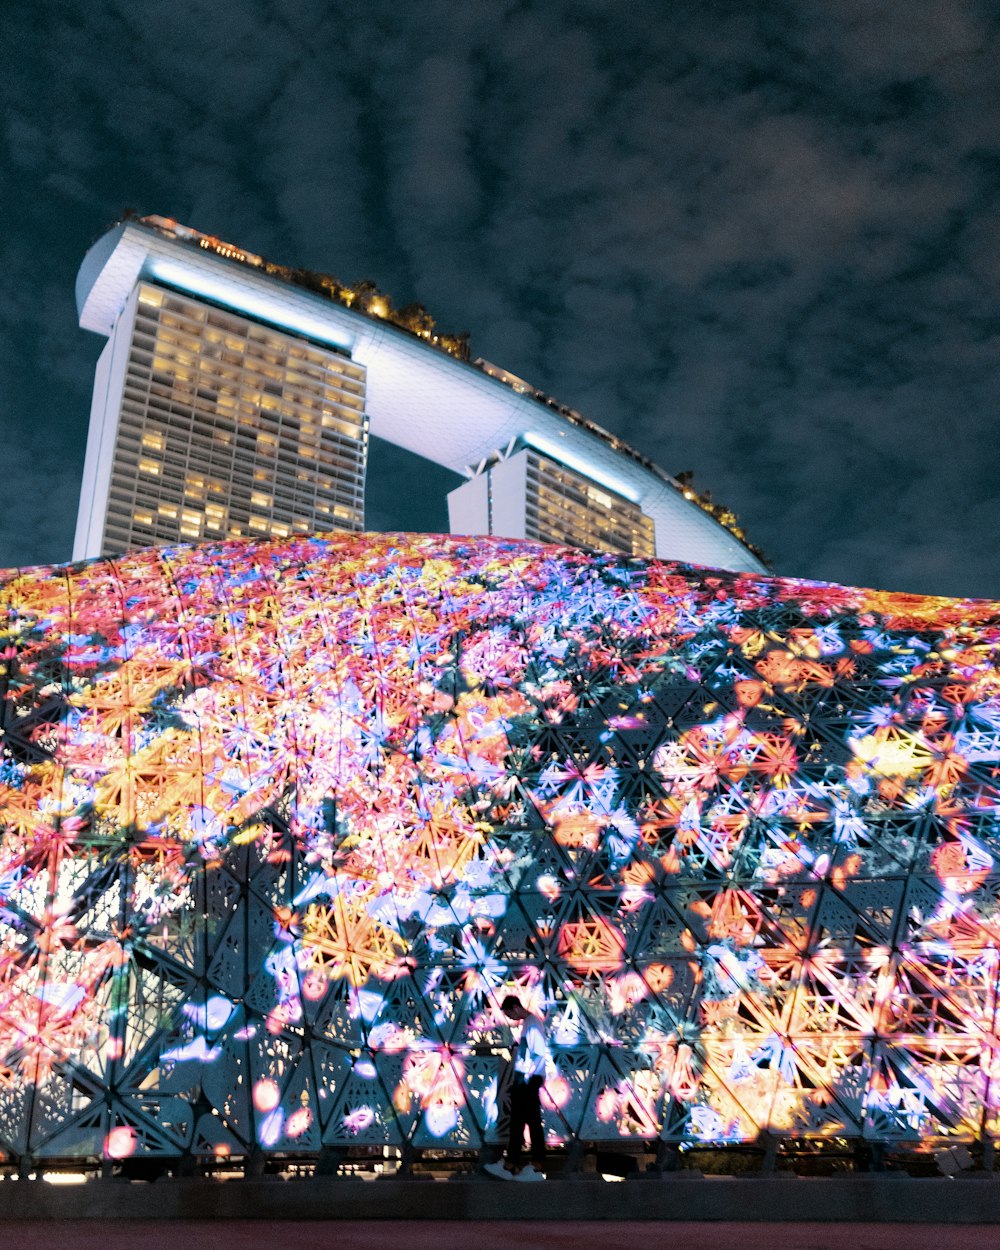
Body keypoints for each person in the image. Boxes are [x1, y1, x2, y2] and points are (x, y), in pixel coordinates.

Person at [483, 994, 552, 1182]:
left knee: (528, 1122)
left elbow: (537, 1053)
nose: (511, 1020)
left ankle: (529, 1165)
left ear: (515, 1008)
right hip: (527, 1080)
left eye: (509, 1015)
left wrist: (526, 1077)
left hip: (529, 1080)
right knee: (519, 1122)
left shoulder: (532, 1023)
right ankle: (512, 1164)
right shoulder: (529, 1023)